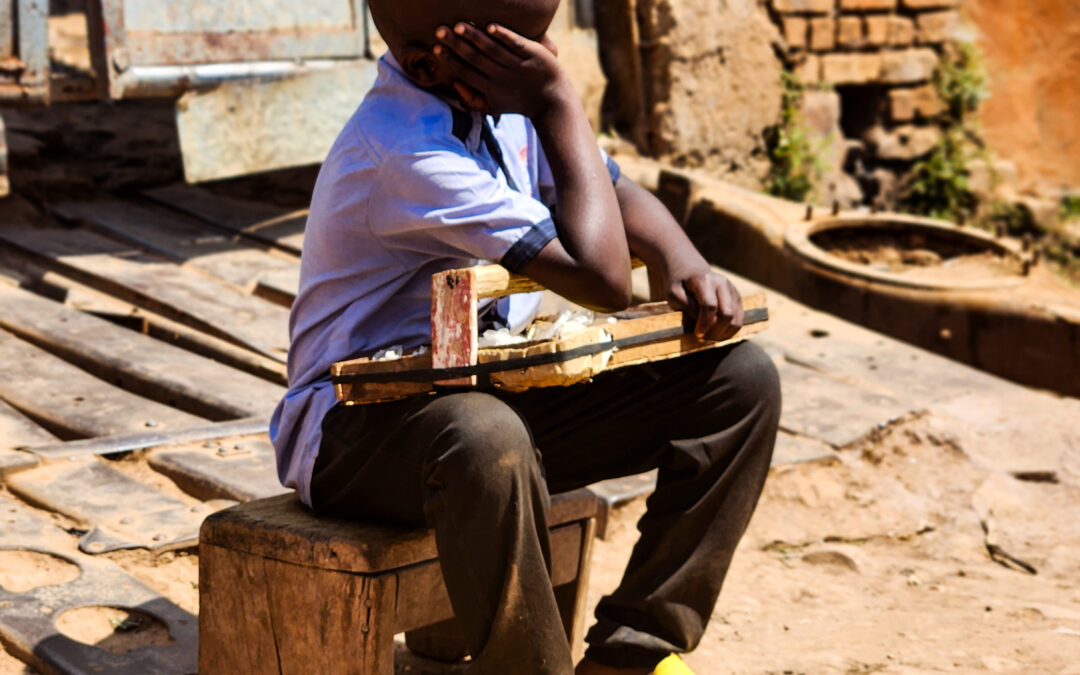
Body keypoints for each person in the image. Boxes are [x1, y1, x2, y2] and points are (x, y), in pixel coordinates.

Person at [270, 1, 781, 673]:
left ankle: (633, 651)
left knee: (739, 383)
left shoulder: (500, 106)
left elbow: (614, 194)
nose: (548, 60)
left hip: (483, 403)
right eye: (523, 46)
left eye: (542, 41)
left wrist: (683, 259)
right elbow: (603, 278)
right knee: (486, 439)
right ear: (430, 63)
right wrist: (556, 101)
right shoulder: (404, 151)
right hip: (354, 433)